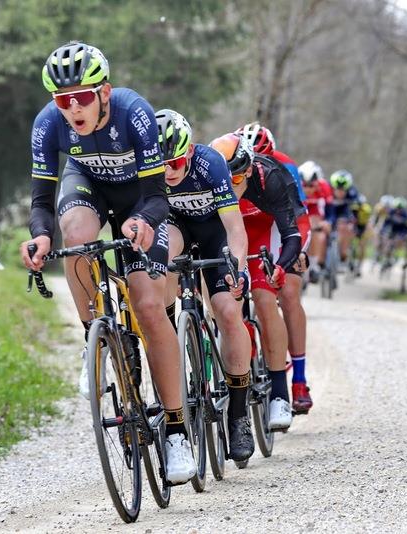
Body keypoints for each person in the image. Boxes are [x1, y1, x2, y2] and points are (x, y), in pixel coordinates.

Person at [20, 42, 195, 483]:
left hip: (140, 199)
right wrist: (40, 235)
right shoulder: (48, 124)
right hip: (88, 187)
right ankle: (94, 341)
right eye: (63, 100)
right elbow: (41, 202)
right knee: (76, 235)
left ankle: (177, 431)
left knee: (150, 307)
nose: (73, 108)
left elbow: (158, 197)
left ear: (104, 92)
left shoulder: (134, 113)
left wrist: (144, 221)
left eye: (82, 96)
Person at [156, 109, 256, 459]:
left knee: (228, 312)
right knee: (163, 255)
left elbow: (235, 229)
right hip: (177, 229)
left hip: (215, 233)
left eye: (175, 163)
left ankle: (239, 414)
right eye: (162, 165)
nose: (169, 172)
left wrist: (237, 269)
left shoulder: (210, 164)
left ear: (188, 152)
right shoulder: (151, 171)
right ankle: (170, 329)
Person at [211, 132, 313, 421]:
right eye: (225, 180)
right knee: (225, 303)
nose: (230, 186)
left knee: (268, 297)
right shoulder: (211, 173)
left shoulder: (273, 174)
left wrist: (284, 264)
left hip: (266, 230)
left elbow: (294, 228)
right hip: (231, 230)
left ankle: (282, 392)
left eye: (236, 179)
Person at [298, 161, 333, 283]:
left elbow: (329, 210)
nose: (308, 189)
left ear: (317, 183)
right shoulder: (295, 186)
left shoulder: (324, 188)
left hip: (315, 212)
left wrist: (327, 222)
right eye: (305, 185)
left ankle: (314, 264)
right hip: (301, 211)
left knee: (317, 229)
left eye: (311, 185)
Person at [327, 169, 360, 266]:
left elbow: (355, 210)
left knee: (347, 228)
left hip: (344, 211)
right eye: (337, 189)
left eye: (343, 190)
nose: (340, 192)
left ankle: (343, 254)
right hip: (331, 210)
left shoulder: (353, 192)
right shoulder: (327, 189)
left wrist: (353, 222)